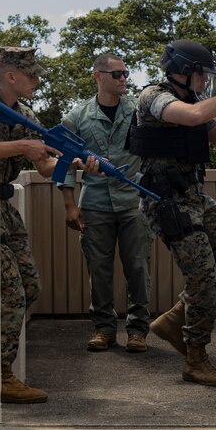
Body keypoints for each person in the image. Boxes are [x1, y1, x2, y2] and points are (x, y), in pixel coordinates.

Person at [0, 46, 98, 405]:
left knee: (29, 285)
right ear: (11, 75)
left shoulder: (25, 114)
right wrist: (25, 145)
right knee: (11, 292)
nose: (37, 81)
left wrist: (74, 163)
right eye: (31, 75)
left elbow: (46, 167)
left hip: (1, 206)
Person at [129, 40, 216, 386]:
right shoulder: (155, 97)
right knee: (204, 277)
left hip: (194, 195)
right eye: (201, 74)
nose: (204, 81)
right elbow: (192, 117)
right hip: (167, 201)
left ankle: (173, 320)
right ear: (184, 71)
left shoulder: (196, 101)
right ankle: (195, 357)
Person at [58, 53, 152, 354]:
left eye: (126, 73)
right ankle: (103, 328)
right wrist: (70, 205)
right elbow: (63, 165)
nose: (123, 78)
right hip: (96, 203)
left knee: (138, 267)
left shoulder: (139, 112)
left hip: (133, 202)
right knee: (98, 269)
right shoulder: (77, 117)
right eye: (116, 74)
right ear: (97, 76)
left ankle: (138, 330)